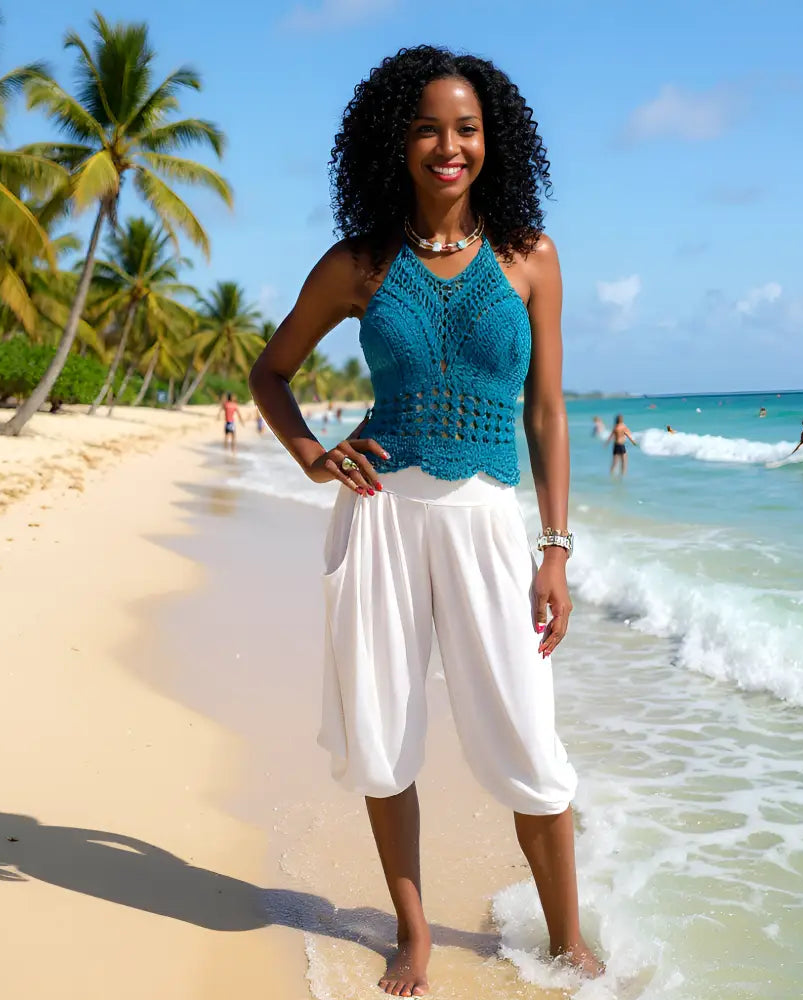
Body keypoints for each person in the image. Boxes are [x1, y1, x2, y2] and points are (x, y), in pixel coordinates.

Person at [249, 46, 602, 996]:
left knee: (529, 740)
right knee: (382, 734)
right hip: (380, 521)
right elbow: (269, 372)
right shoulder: (360, 264)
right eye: (428, 129)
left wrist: (555, 550)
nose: (450, 147)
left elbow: (546, 412)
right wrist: (313, 454)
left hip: (488, 525)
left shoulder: (530, 256)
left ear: (492, 140)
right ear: (395, 142)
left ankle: (569, 943)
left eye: (467, 129)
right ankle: (413, 935)